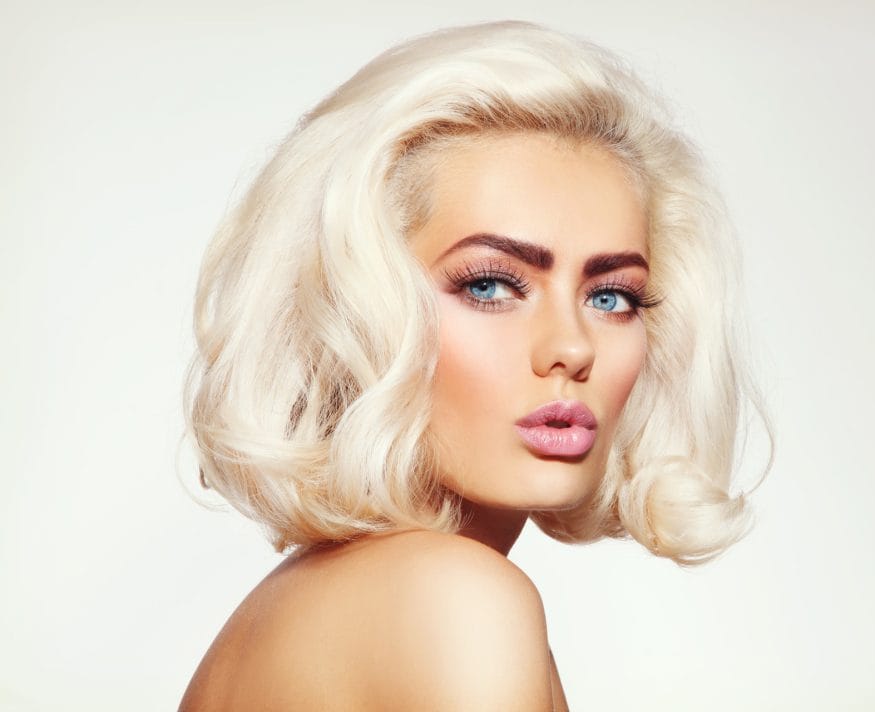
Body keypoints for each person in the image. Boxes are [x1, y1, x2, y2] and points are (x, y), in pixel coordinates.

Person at [179, 20, 765, 711]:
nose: (573, 348)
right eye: (489, 285)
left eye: (611, 296)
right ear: (357, 308)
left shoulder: (314, 603)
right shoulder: (456, 603)